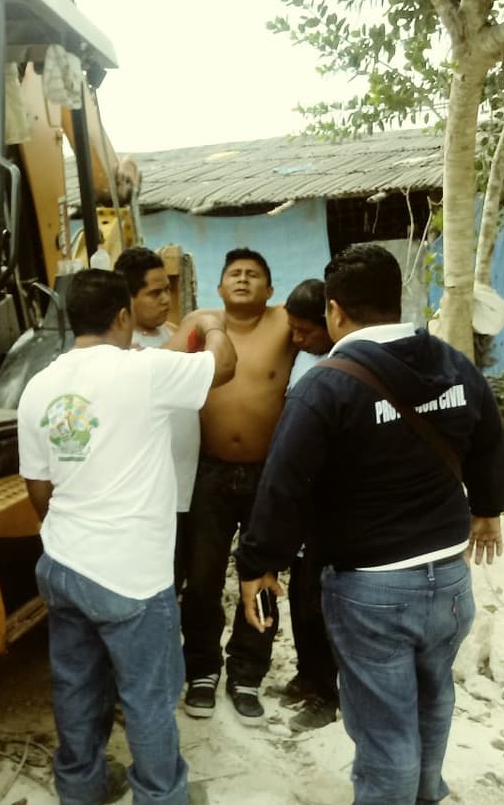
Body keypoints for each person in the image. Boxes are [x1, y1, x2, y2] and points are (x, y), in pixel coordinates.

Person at [235, 243, 504, 804]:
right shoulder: (452, 362)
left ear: (335, 311)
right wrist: (488, 507)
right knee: (433, 703)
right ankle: (425, 794)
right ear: (396, 300)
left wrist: (259, 564)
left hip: (372, 591)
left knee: (384, 730)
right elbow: (489, 437)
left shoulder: (326, 384)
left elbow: (284, 484)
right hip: (450, 581)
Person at [18, 269, 235, 805]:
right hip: (131, 576)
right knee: (148, 698)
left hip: (63, 566)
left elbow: (38, 490)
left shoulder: (38, 386)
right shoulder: (144, 370)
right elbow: (223, 366)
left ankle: (81, 787)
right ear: (122, 317)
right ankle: (160, 796)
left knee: (75, 688)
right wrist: (211, 324)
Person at [172, 247, 295, 725]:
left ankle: (247, 672)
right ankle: (201, 669)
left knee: (262, 576)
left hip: (269, 474)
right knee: (201, 579)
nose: (243, 279)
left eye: (254, 274)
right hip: (210, 471)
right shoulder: (203, 326)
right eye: (234, 274)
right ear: (220, 287)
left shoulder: (285, 323)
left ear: (269, 289)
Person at [115, 246, 197, 591]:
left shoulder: (173, 333)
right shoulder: (120, 349)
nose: (166, 299)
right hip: (147, 497)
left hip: (186, 487)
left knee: (179, 579)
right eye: (154, 292)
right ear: (127, 298)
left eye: (167, 290)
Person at [278, 278, 341, 732]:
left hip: (328, 510)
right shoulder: (304, 359)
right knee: (301, 598)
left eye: (304, 331)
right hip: (300, 502)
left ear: (330, 321)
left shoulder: (344, 365)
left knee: (322, 605)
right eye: (292, 330)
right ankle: (307, 673)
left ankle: (328, 694)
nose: (296, 339)